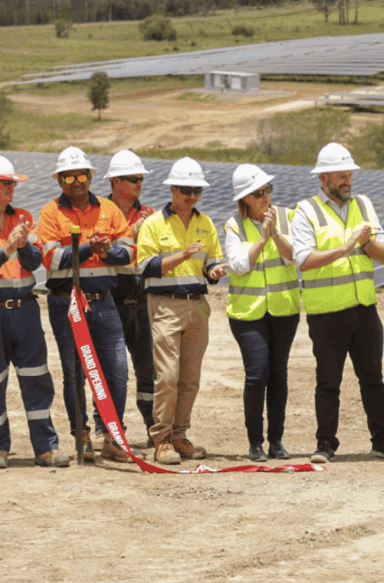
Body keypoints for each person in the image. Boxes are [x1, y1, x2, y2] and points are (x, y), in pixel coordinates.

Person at [0, 155, 70, 469]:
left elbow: (34, 262)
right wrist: (5, 249)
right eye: (5, 183)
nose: (11, 188)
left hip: (25, 310)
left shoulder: (23, 217)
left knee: (37, 378)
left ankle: (45, 448)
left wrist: (21, 246)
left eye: (12, 184)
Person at [292, 143, 384, 464]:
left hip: (364, 309)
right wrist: (347, 246)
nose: (347, 181)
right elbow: (304, 260)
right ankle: (325, 444)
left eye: (349, 175)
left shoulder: (363, 205)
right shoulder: (305, 211)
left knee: (373, 379)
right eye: (340, 176)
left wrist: (366, 243)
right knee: (328, 382)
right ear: (323, 178)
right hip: (326, 314)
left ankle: (382, 441)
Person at [38, 146, 135, 463]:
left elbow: (130, 253)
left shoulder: (109, 210)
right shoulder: (51, 214)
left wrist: (106, 252)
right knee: (74, 374)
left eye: (82, 175)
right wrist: (85, 248)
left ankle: (111, 435)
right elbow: (52, 260)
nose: (77, 182)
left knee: (117, 371)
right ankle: (82, 437)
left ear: (91, 177)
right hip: (67, 304)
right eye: (69, 177)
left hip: (104, 303)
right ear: (60, 180)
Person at [137, 157, 227, 465]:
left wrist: (215, 271)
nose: (192, 195)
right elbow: (145, 267)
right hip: (165, 305)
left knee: (190, 377)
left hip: (197, 306)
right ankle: (160, 438)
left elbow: (212, 258)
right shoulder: (153, 224)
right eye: (187, 189)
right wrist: (181, 255)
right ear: (173, 189)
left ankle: (180, 434)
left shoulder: (206, 223)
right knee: (168, 376)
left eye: (197, 190)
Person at [224, 164, 301, 462]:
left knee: (278, 375)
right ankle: (255, 441)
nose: (265, 196)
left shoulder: (288, 217)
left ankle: (276, 441)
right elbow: (239, 264)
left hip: (283, 309)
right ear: (245, 199)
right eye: (258, 193)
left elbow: (295, 254)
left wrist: (276, 234)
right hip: (248, 314)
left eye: (267, 190)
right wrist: (262, 240)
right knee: (257, 374)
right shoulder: (233, 225)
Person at [105, 149, 157, 447]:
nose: (139, 183)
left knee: (148, 369)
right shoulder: (99, 213)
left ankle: (153, 426)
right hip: (110, 297)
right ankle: (112, 431)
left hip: (142, 298)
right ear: (115, 182)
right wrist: (129, 234)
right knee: (114, 371)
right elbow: (95, 251)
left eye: (140, 179)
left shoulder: (150, 214)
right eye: (133, 179)